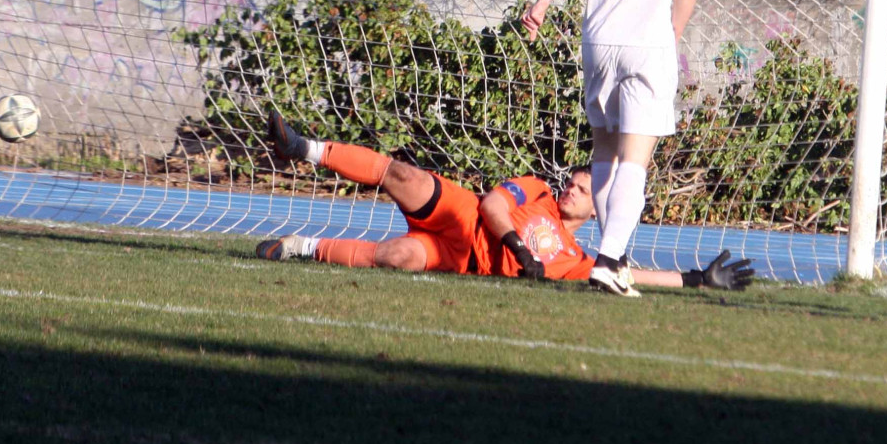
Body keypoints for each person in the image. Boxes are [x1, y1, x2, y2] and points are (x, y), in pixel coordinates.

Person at [255, 112, 754, 291]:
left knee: (396, 257)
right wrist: (518, 248)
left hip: (459, 259)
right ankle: (305, 149)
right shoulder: (536, 188)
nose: (572, 190)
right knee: (401, 172)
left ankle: (303, 248)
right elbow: (493, 204)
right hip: (462, 212)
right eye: (574, 182)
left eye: (583, 190)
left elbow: (630, 275)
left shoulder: (578, 261)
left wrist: (694, 279)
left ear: (598, 211)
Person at [522, 0, 703, 297]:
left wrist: (542, 1)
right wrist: (672, 33)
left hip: (599, 39)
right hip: (649, 40)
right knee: (636, 160)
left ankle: (614, 259)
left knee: (604, 152)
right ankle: (607, 261)